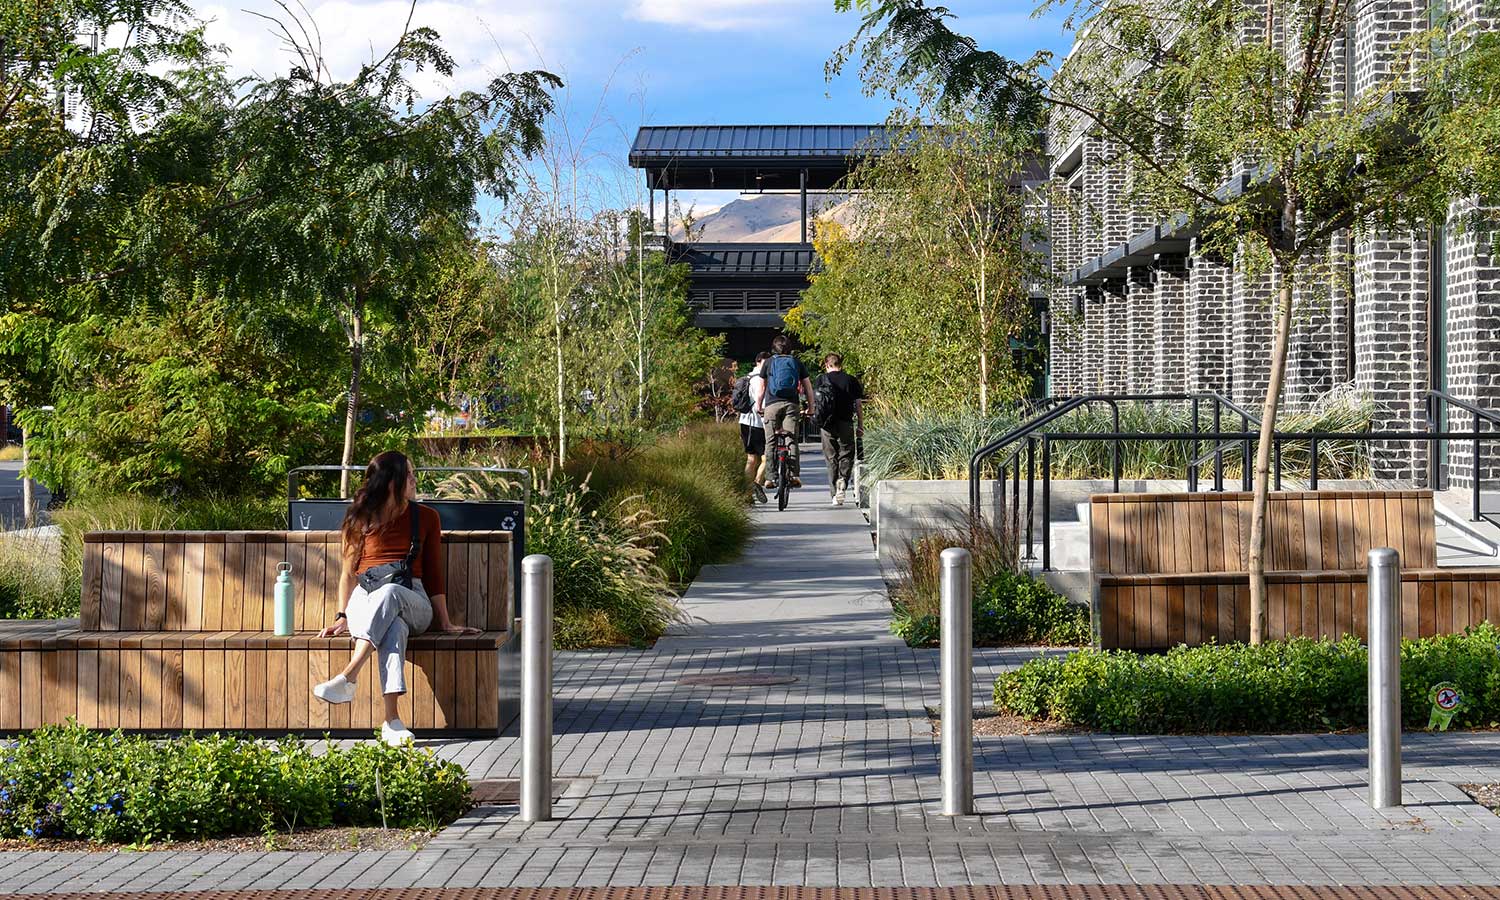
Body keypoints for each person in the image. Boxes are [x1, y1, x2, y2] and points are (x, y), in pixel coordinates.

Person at [313, 451, 478, 746]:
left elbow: (433, 575)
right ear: (392, 482)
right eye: (410, 475)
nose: (414, 480)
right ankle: (392, 722)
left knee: (391, 596)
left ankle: (349, 675)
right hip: (366, 597)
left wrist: (446, 623)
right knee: (394, 628)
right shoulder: (360, 518)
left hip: (412, 596)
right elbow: (349, 574)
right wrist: (342, 616)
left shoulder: (426, 517)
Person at [758, 335, 815, 487]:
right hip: (792, 405)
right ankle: (794, 475)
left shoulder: (769, 362)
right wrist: (811, 407)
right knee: (792, 440)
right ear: (790, 348)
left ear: (773, 348)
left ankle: (770, 478)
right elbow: (808, 387)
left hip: (771, 405)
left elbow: (762, 387)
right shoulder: (796, 362)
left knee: (770, 442)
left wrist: (759, 406)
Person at [815, 353, 864, 506]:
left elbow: (817, 401)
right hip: (845, 422)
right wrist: (860, 425)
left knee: (831, 458)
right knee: (847, 453)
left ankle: (834, 495)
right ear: (840, 363)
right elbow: (858, 405)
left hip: (827, 424)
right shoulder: (850, 380)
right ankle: (842, 479)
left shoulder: (821, 380)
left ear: (826, 364)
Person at [738, 351, 772, 503]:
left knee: (751, 459)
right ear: (760, 362)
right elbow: (763, 403)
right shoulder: (761, 379)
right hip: (759, 423)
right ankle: (757, 483)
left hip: (745, 421)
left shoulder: (748, 377)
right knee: (767, 458)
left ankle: (746, 494)